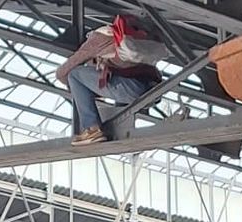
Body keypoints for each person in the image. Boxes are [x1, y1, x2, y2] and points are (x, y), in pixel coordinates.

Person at [55, 13, 167, 145]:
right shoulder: (122, 37)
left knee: (74, 74)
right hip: (152, 90)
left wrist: (76, 87)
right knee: (110, 78)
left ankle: (91, 129)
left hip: (130, 89)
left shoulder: (97, 38)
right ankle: (120, 127)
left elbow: (62, 72)